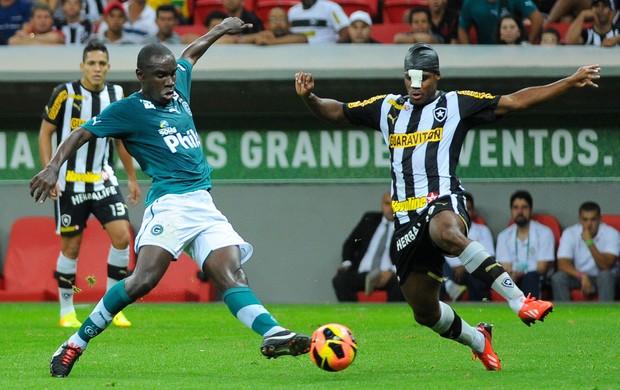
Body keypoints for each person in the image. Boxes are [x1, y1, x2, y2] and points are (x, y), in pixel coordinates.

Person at [31, 17, 311, 379]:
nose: (169, 80)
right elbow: (82, 132)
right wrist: (53, 166)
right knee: (143, 280)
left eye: (170, 74)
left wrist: (220, 29)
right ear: (141, 76)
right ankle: (75, 343)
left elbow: (191, 53)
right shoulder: (128, 110)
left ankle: (273, 333)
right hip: (170, 204)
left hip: (204, 204)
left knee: (229, 272)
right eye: (160, 75)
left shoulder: (178, 87)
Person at [294, 43, 600, 370]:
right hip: (405, 219)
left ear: (437, 77)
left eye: (423, 78)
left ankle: (520, 300)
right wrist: (309, 98)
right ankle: (480, 340)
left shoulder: (455, 104)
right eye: (410, 77)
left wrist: (569, 81)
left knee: (445, 231)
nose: (415, 84)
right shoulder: (386, 108)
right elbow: (337, 110)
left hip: (442, 200)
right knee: (424, 311)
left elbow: (514, 101)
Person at [38, 40, 140, 329]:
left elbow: (121, 140)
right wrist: (51, 173)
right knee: (71, 247)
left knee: (122, 236)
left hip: (103, 179)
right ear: (82, 65)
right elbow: (45, 133)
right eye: (92, 63)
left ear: (108, 67)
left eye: (102, 63)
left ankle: (113, 305)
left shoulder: (117, 94)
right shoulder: (65, 93)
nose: (97, 68)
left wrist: (131, 178)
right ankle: (67, 310)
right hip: (69, 182)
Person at [332, 192, 405, 302]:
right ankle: (353, 315)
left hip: (389, 275)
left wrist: (393, 271)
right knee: (340, 280)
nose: (391, 208)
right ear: (382, 204)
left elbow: (409, 254)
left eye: (395, 204)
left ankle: (387, 317)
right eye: (387, 204)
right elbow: (350, 244)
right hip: (363, 273)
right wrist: (346, 264)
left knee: (402, 283)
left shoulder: (405, 225)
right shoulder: (369, 219)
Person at [551, 202, 620, 301]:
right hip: (579, 277)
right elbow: (562, 264)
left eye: (593, 219)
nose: (589, 224)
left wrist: (589, 242)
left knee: (606, 276)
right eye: (585, 220)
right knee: (558, 277)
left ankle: (606, 314)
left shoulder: (612, 234)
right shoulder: (570, 233)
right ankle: (565, 315)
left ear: (600, 220)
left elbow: (605, 266)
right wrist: (582, 275)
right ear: (579, 219)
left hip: (602, 278)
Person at [495, 191, 555, 299]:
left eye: (524, 207)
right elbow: (505, 266)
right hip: (512, 277)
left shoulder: (545, 233)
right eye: (516, 208)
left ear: (530, 210)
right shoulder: (503, 236)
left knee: (530, 277)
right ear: (511, 211)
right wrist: (514, 274)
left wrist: (520, 273)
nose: (520, 211)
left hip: (537, 278)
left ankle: (530, 313)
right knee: (505, 280)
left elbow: (541, 268)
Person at [443, 192, 493, 302]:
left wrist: (464, 267)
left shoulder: (483, 230)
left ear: (473, 211)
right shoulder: (447, 231)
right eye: (460, 209)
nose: (464, 213)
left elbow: (488, 257)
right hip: (451, 272)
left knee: (477, 276)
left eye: (468, 209)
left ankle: (481, 310)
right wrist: (455, 267)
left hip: (474, 271)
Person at [458, 0, 543, 44]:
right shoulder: (470, 2)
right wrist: (468, 53)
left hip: (515, 50)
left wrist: (528, 46)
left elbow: (537, 18)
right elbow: (462, 29)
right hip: (485, 51)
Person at [237, 7, 307, 45]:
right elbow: (235, 40)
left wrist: (271, 42)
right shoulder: (264, 37)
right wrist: (256, 37)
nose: (278, 23)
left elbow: (302, 39)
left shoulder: (295, 37)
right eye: (274, 20)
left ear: (289, 24)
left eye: (282, 19)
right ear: (267, 25)